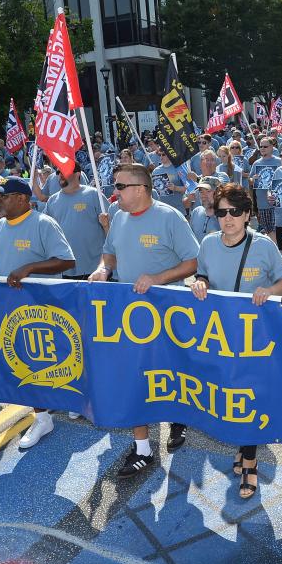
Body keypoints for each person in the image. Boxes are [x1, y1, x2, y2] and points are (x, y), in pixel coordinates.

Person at [88, 164, 199, 479]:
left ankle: (178, 419)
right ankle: (143, 449)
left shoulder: (169, 217)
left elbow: (192, 261)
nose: (115, 192)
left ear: (141, 188)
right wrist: (103, 270)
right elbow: (109, 253)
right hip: (130, 312)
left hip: (166, 309)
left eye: (121, 186)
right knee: (136, 375)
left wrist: (158, 279)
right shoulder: (118, 217)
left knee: (169, 370)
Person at [190, 183, 282, 499]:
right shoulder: (207, 243)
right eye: (222, 212)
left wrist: (270, 291)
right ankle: (242, 448)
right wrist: (199, 282)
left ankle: (249, 462)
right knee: (226, 395)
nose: (228, 218)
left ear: (247, 214)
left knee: (248, 397)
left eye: (235, 212)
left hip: (256, 339)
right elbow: (203, 273)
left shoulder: (263, 246)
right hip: (219, 337)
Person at [0, 177, 76, 446]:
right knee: (26, 360)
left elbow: (68, 260)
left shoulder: (43, 223)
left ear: (22, 199)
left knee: (59, 356)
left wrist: (30, 268)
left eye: (3, 195)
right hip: (13, 310)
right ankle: (42, 417)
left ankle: (75, 401)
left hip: (46, 308)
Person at [45, 162, 109, 279]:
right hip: (62, 271)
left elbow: (112, 231)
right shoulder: (52, 201)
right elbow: (45, 233)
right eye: (58, 172)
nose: (60, 175)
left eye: (65, 171)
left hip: (93, 271)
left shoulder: (94, 195)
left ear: (78, 174)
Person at [248, 138, 282, 242]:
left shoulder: (279, 161)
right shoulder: (256, 163)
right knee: (268, 230)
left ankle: (279, 254)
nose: (262, 148)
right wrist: (252, 179)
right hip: (262, 203)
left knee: (277, 229)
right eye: (261, 146)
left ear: (272, 147)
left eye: (265, 146)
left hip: (278, 203)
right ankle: (277, 252)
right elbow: (250, 180)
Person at [188, 176, 221, 243]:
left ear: (218, 192)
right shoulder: (196, 212)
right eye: (201, 192)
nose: (203, 195)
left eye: (208, 191)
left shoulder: (226, 216)